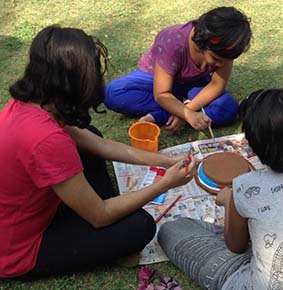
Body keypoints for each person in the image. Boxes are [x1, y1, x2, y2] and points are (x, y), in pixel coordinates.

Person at [0, 25, 196, 279]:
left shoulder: (34, 102)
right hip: (18, 250)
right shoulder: (46, 139)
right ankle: (113, 237)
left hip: (26, 213)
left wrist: (166, 160)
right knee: (140, 227)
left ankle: (113, 222)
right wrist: (166, 183)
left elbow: (100, 146)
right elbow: (99, 216)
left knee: (91, 135)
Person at [158, 87, 283, 290]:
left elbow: (236, 247)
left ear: (256, 145)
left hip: (252, 281)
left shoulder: (246, 186)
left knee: (173, 229)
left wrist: (229, 201)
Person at [104, 6, 252, 132]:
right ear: (202, 45)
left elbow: (216, 85)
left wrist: (188, 111)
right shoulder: (173, 43)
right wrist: (187, 114)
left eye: (226, 61)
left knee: (227, 109)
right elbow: (161, 93)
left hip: (193, 84)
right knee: (112, 93)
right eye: (216, 60)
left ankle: (162, 114)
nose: (220, 65)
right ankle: (172, 109)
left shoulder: (227, 46)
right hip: (154, 78)